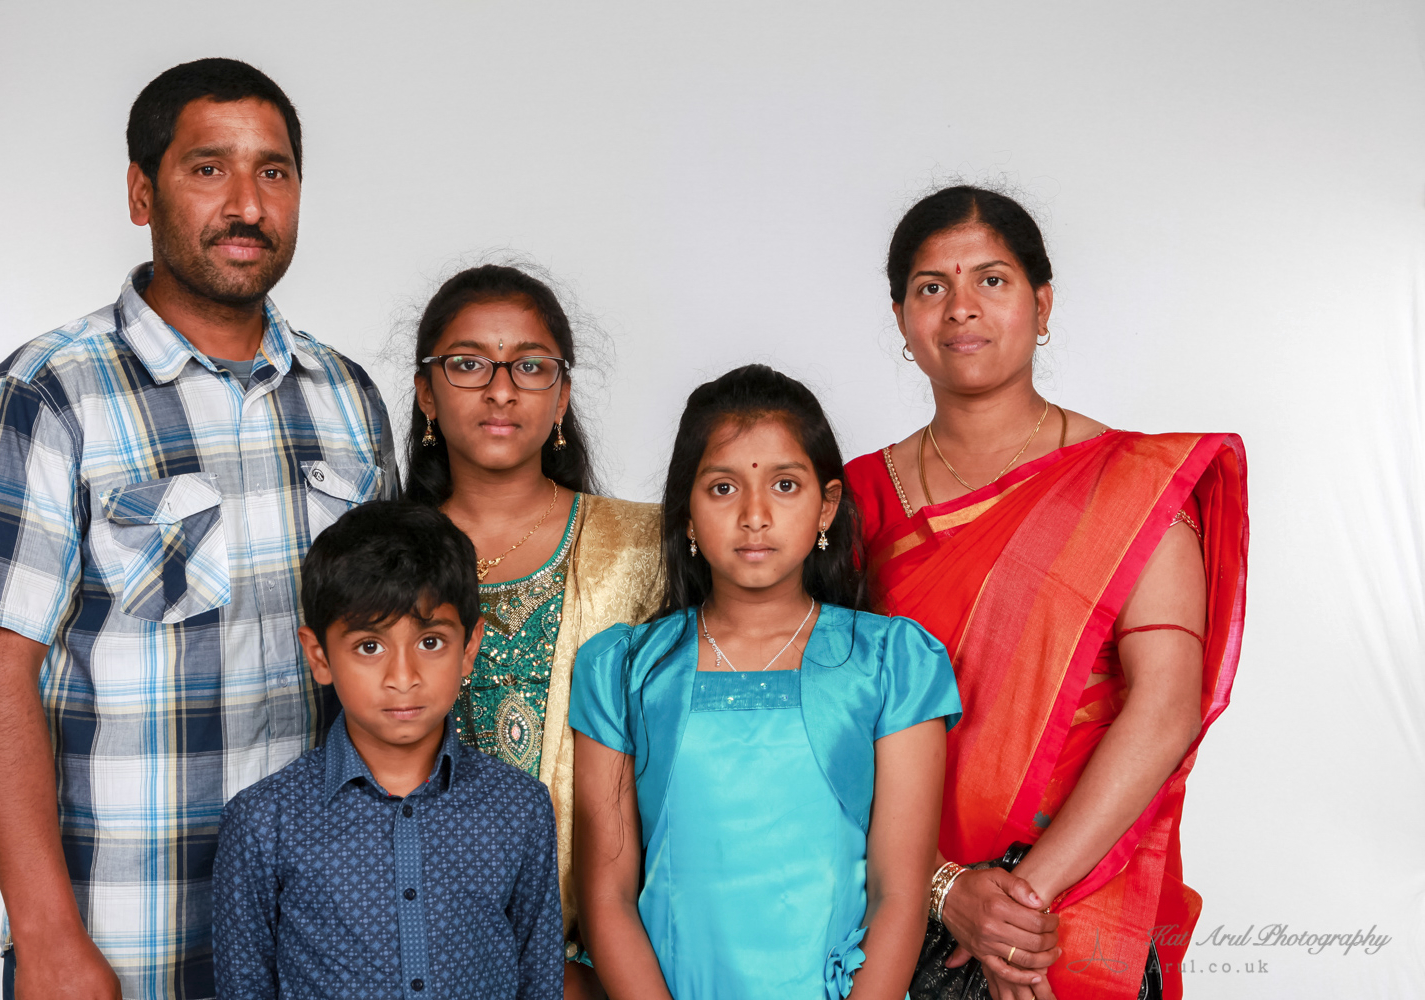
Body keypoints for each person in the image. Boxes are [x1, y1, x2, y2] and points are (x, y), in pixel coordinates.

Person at [0, 58, 397, 1000]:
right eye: (208, 168)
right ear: (142, 192)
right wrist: (47, 937)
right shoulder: (48, 393)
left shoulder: (349, 400)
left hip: (319, 935)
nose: (247, 204)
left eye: (273, 171)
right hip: (128, 940)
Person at [845, 186, 1247, 1000]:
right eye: (931, 287)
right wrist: (946, 889)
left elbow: (1166, 706)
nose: (961, 308)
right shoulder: (851, 501)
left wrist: (1020, 904)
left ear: (1043, 303)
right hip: (897, 903)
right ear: (901, 320)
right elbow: (818, 719)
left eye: (991, 280)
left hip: (1078, 903)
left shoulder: (1129, 485)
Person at [571, 364, 963, 1000]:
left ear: (826, 507)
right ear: (687, 512)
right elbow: (606, 897)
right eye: (723, 488)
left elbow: (898, 894)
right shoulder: (623, 669)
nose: (754, 515)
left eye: (784, 485)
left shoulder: (892, 662)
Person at [406, 264, 663, 990]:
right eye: (468, 364)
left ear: (562, 397)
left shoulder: (644, 549)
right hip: (419, 947)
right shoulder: (386, 557)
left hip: (612, 957)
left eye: (529, 365)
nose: (500, 389)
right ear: (426, 393)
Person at [211, 500, 562, 999]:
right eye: (370, 646)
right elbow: (244, 987)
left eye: (431, 642)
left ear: (469, 648)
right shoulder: (264, 822)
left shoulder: (519, 807)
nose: (402, 677)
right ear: (319, 656)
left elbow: (540, 981)